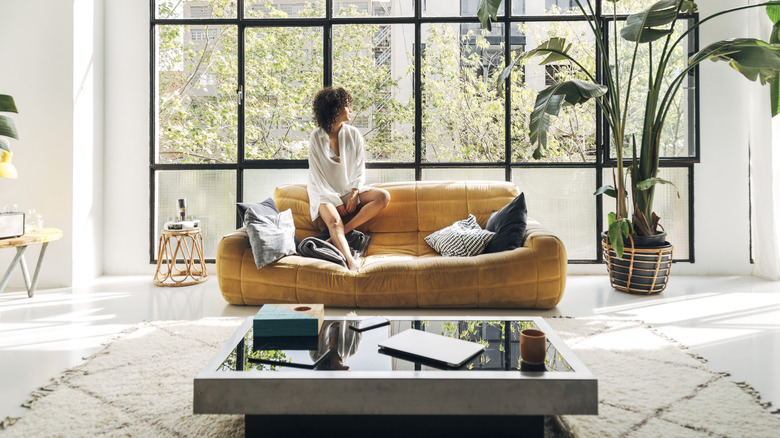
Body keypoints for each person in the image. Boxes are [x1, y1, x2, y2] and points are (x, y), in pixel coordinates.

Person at [307, 87, 390, 271]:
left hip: (348, 188)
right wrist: (336, 202)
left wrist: (354, 192)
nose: (350, 110)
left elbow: (360, 168)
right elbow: (317, 176)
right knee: (334, 221)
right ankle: (351, 262)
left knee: (383, 197)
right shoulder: (316, 137)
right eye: (346, 106)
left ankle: (343, 231)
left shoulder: (354, 134)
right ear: (335, 109)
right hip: (323, 192)